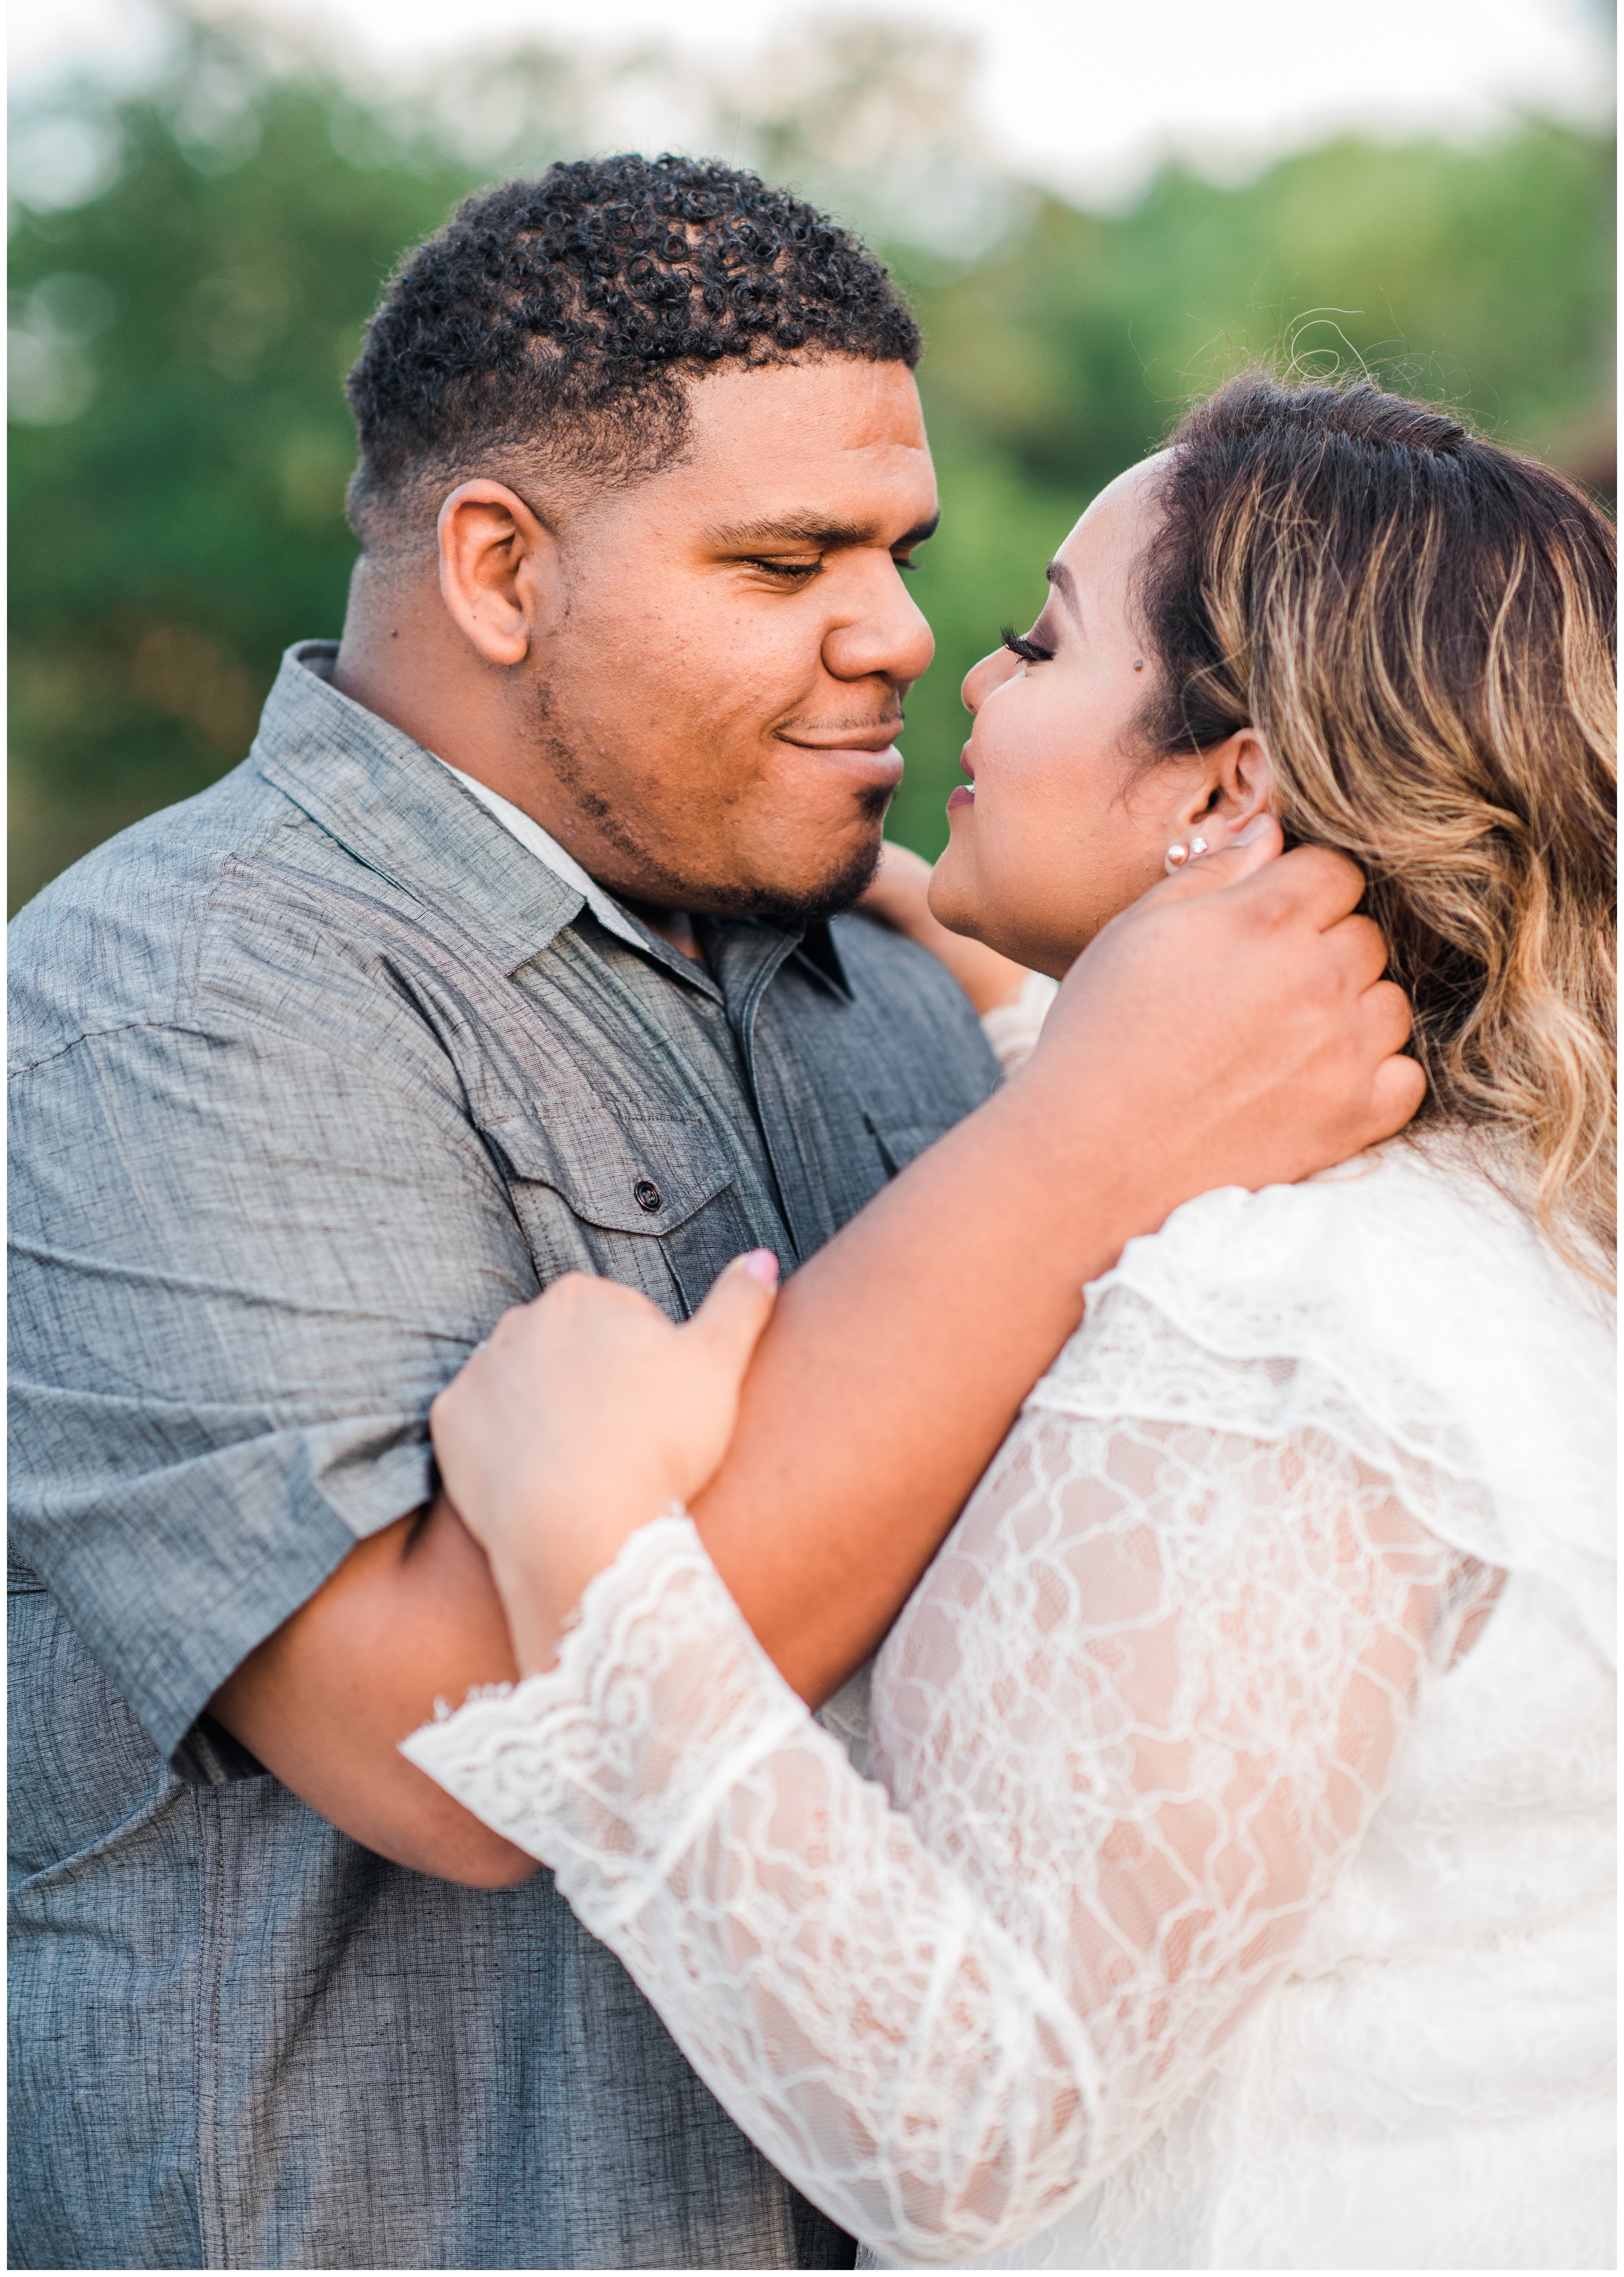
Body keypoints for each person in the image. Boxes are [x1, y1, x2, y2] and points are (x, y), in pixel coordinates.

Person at [7, 164, 1412, 2271]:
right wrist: (1096, 1134)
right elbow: (461, 1735)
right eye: (786, 560)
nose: (900, 635)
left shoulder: (871, 982)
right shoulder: (168, 1004)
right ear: (497, 568)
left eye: (906, 557)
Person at [408, 377, 1616, 2271]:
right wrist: (996, 950)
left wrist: (589, 1549)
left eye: (1041, 638)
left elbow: (976, 2128)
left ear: (1229, 790)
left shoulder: (1276, 1338)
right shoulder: (1508, 1218)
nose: (952, 672)